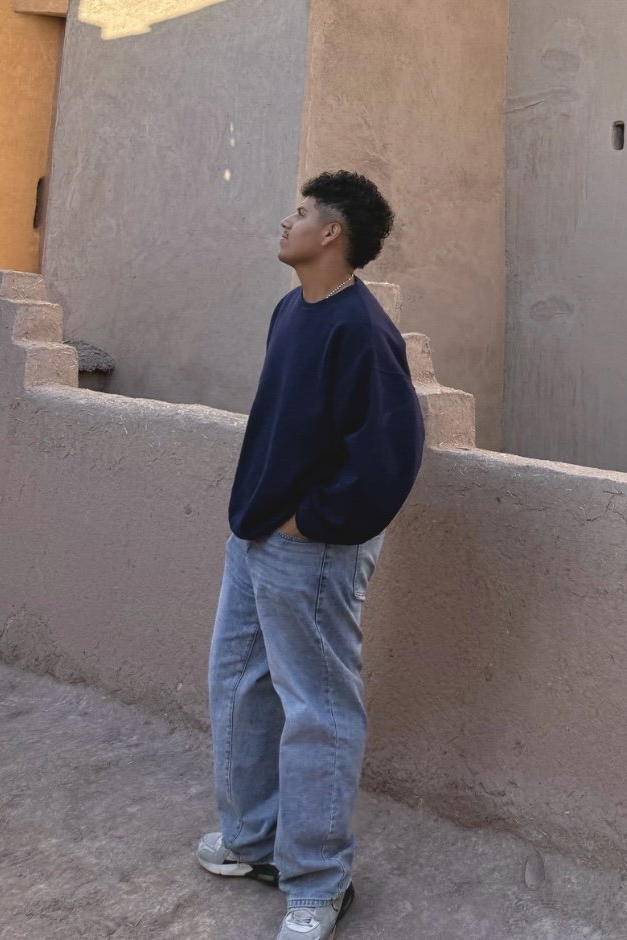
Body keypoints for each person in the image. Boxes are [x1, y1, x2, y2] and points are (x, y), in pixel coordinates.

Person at [196, 171, 425, 940]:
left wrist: (310, 523)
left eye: (299, 212)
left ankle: (320, 883)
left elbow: (392, 453)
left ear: (331, 234)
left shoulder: (364, 330)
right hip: (255, 536)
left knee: (317, 713)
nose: (285, 221)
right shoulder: (290, 310)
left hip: (312, 550)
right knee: (237, 684)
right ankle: (253, 839)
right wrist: (259, 522)